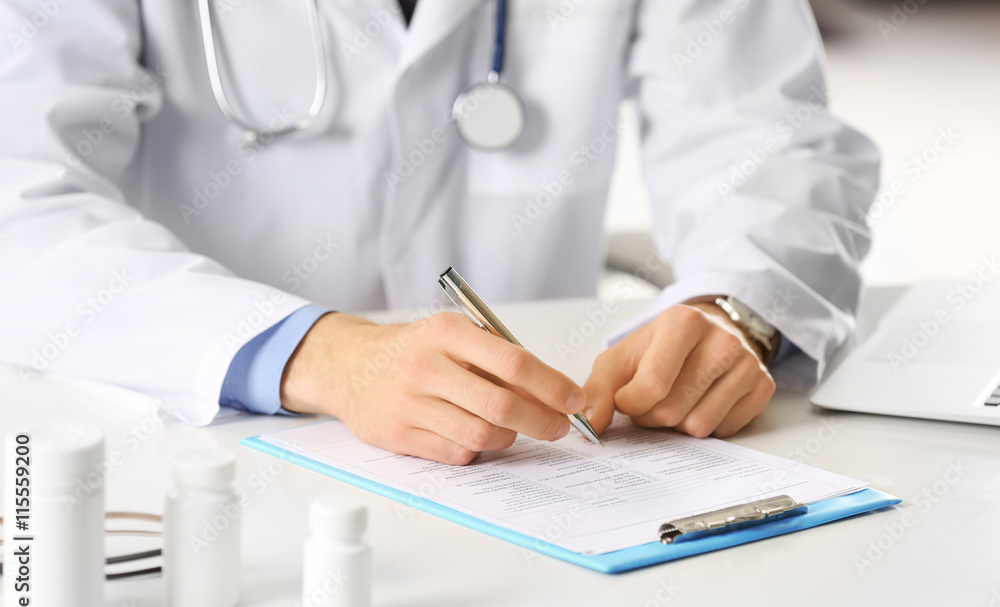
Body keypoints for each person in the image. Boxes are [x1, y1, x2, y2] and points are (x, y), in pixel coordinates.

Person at [0, 0, 879, 464]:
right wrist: (319, 354)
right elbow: (21, 201)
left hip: (530, 469)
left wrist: (741, 304)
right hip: (198, 446)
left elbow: (770, 134)